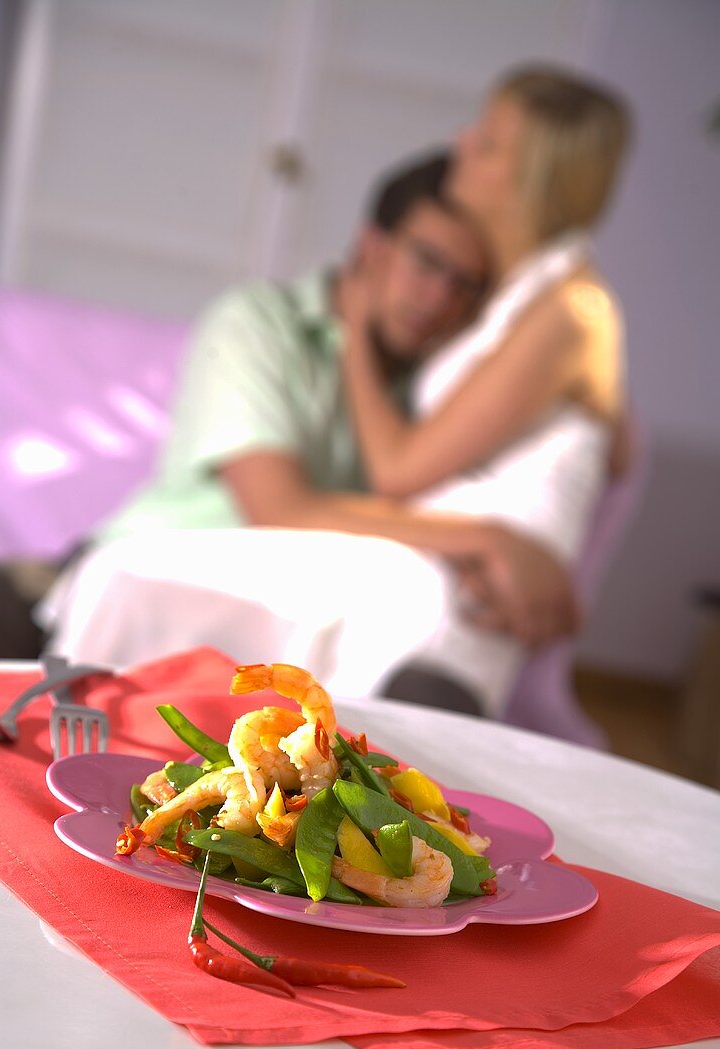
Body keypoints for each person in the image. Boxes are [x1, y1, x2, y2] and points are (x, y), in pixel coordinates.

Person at [35, 151, 581, 713]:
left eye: (466, 285)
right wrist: (488, 539)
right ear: (372, 247)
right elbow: (277, 507)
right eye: (426, 261)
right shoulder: (257, 322)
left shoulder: (441, 388)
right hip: (133, 584)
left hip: (280, 641)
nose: (439, 298)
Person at [339, 65, 632, 716]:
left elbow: (397, 470)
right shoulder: (520, 295)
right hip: (442, 574)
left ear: (536, 179)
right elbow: (619, 452)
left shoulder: (568, 311)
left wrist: (353, 325)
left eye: (491, 142)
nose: (462, 144)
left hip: (453, 628)